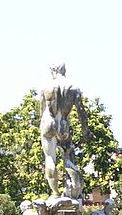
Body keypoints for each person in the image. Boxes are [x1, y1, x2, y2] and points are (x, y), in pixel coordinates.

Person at [39, 63, 91, 198]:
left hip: (48, 122)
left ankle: (55, 193)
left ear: (53, 71)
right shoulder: (73, 87)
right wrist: (85, 130)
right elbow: (81, 112)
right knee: (68, 157)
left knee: (50, 158)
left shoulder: (45, 86)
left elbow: (41, 110)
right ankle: (71, 190)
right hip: (63, 123)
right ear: (64, 70)